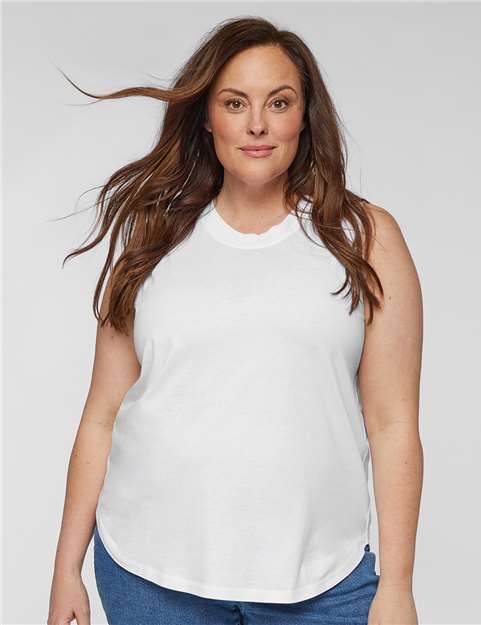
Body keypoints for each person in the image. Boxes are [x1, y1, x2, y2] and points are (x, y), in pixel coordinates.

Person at [47, 16, 423, 625]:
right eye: (234, 103)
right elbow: (101, 415)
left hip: (321, 577)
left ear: (305, 116)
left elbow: (393, 423)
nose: (257, 125)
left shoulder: (365, 238)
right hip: (151, 572)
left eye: (279, 102)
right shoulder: (154, 238)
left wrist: (397, 586)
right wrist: (66, 570)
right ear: (207, 117)